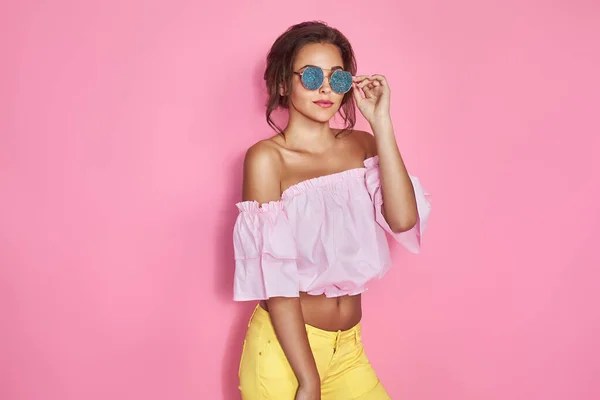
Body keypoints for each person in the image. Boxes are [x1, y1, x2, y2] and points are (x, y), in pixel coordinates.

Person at [232, 21, 431, 400]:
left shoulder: (362, 145)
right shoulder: (267, 160)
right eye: (310, 76)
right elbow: (277, 284)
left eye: (337, 79)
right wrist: (308, 380)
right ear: (282, 84)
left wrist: (382, 123)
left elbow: (403, 220)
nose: (325, 88)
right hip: (285, 356)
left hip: (349, 350)